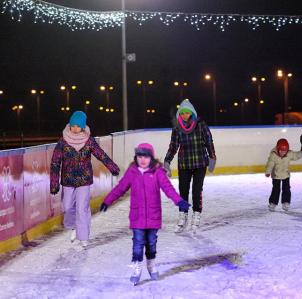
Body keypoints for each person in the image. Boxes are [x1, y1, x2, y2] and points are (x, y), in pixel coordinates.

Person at [100, 143, 190, 285]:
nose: (142, 160)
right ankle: (137, 267)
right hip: (137, 217)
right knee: (137, 243)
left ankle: (151, 264)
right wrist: (107, 200)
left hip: (153, 215)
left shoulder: (158, 172)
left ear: (151, 158)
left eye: (146, 156)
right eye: (140, 156)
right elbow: (120, 188)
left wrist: (179, 201)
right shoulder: (132, 172)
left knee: (151, 243)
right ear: (136, 157)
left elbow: (168, 189)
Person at [50, 111, 120, 247]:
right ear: (69, 126)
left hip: (84, 180)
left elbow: (101, 155)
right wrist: (54, 183)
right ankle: (73, 226)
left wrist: (113, 167)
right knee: (67, 206)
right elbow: (55, 162)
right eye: (73, 126)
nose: (75, 128)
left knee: (82, 208)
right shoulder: (63, 142)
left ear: (83, 127)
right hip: (68, 181)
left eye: (78, 126)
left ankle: (83, 237)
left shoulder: (89, 141)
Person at [164, 99, 216, 233]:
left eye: (187, 113)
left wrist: (212, 157)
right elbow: (173, 146)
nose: (185, 115)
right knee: (183, 191)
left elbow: (208, 141)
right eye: (182, 113)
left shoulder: (201, 125)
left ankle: (196, 215)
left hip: (200, 163)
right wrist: (167, 161)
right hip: (184, 164)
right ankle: (183, 216)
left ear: (192, 113)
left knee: (197, 191)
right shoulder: (177, 128)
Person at [265, 139, 302, 212]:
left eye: (285, 151)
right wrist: (268, 172)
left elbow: (296, 156)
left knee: (286, 189)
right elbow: (270, 164)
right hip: (276, 175)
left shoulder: (289, 153)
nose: (283, 153)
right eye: (281, 151)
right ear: (278, 149)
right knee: (276, 189)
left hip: (286, 174)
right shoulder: (274, 155)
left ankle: (286, 202)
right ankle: (273, 203)